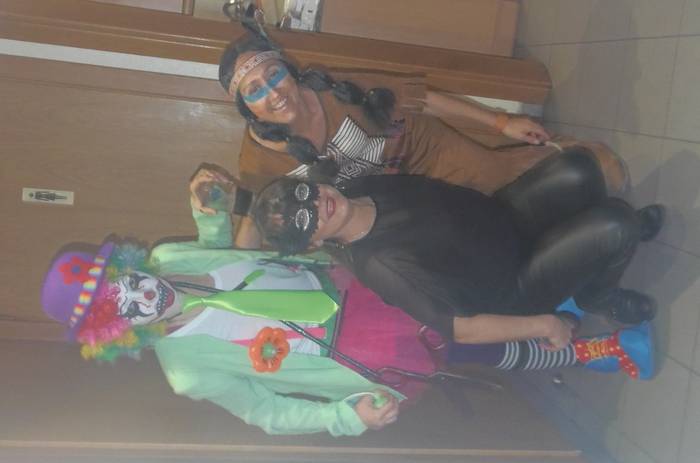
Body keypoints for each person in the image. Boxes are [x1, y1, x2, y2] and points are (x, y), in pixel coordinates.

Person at [41, 164, 655, 438]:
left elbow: (225, 255)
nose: (139, 293)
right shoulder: (186, 372)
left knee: (461, 300)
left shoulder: (170, 260)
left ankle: (558, 299)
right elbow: (266, 412)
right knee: (467, 348)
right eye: (118, 304)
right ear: (114, 330)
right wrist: (344, 417)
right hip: (357, 350)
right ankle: (591, 351)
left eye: (121, 278)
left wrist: (209, 214)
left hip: (346, 284)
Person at [217, 26, 630, 247]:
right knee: (462, 239)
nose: (273, 92)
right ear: (245, 107)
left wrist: (501, 122)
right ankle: (575, 239)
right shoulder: (259, 158)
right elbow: (256, 220)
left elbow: (422, 100)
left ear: (289, 69)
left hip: (422, 149)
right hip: (381, 203)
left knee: (497, 177)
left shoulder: (330, 86)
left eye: (274, 74)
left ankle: (587, 169)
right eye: (254, 90)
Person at [252, 147, 664, 349]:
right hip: (512, 284)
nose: (316, 206)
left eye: (302, 193)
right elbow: (460, 329)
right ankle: (598, 295)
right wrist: (544, 325)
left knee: (579, 167)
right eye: (304, 221)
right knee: (617, 223)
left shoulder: (354, 188)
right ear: (313, 241)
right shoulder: (382, 265)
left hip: (503, 218)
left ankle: (602, 247)